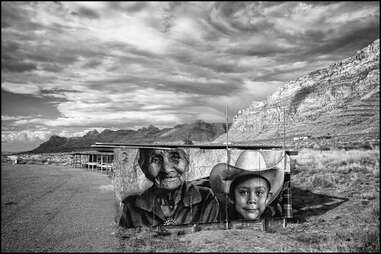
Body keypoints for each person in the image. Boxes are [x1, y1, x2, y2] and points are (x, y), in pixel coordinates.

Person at [119, 148, 220, 228]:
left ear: (187, 163)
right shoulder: (131, 207)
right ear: (144, 167)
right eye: (156, 160)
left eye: (174, 157)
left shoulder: (205, 198)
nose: (166, 169)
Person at [209, 150, 286, 221]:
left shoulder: (276, 222)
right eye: (243, 192)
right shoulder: (218, 219)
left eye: (259, 193)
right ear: (232, 196)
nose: (251, 200)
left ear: (268, 197)